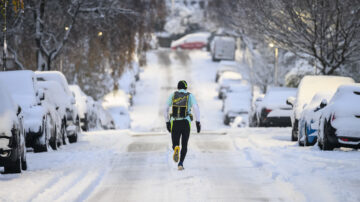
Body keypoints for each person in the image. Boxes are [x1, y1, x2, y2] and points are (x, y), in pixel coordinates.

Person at [164, 80, 201, 170]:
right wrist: (198, 122)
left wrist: (167, 122)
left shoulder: (173, 95)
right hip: (186, 122)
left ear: (178, 87)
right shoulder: (189, 95)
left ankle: (176, 147)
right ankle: (180, 163)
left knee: (175, 143)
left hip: (175, 122)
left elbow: (165, 109)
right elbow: (196, 108)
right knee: (184, 144)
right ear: (185, 87)